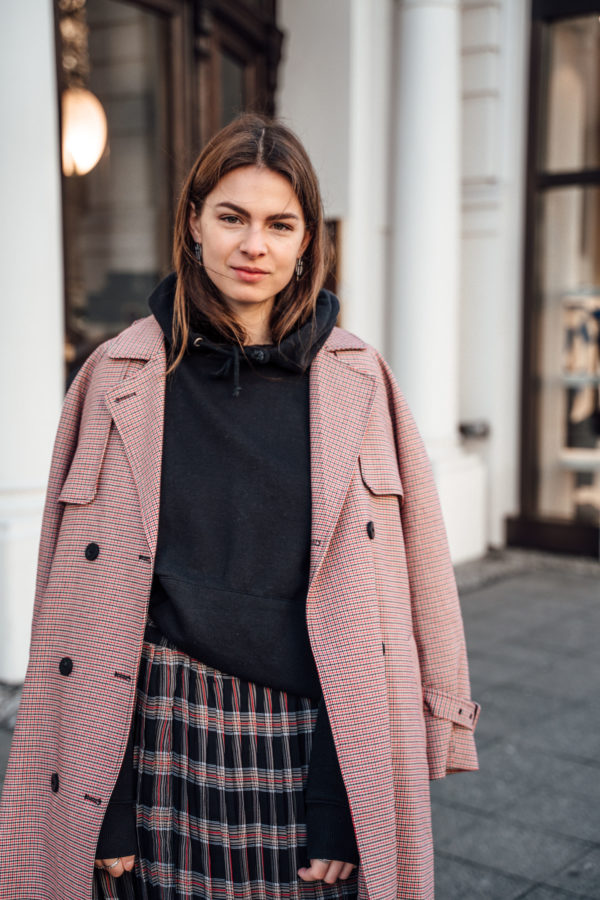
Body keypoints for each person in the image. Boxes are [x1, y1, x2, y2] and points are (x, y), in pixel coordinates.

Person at [0, 114, 480, 900]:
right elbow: (72, 605)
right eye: (232, 217)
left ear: (305, 241)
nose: (253, 245)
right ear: (193, 224)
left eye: (278, 224)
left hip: (310, 742)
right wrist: (105, 796)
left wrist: (340, 793)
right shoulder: (115, 376)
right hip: (157, 730)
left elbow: (409, 582)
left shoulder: (361, 382)